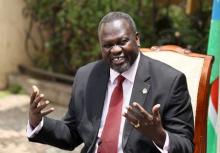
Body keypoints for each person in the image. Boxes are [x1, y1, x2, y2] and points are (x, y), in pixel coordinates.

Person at [27, 11, 194, 153]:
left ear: (137, 39)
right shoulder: (86, 76)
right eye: (107, 45)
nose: (115, 50)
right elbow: (72, 133)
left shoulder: (170, 81)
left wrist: (159, 135)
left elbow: (186, 146)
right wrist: (37, 122)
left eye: (122, 42)